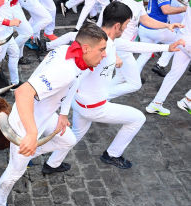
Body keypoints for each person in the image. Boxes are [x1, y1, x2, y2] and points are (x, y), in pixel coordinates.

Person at [36, 1, 184, 169]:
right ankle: (112, 154)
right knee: (138, 118)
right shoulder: (101, 49)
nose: (128, 28)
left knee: (75, 135)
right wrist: (63, 112)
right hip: (93, 107)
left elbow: (131, 45)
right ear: (117, 25)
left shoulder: (104, 40)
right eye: (127, 25)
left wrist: (167, 47)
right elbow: (75, 77)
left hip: (81, 103)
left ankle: (52, 164)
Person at [0, 23, 108, 206]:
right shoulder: (65, 70)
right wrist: (32, 134)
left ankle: (29, 153)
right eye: (102, 49)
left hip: (45, 116)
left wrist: (63, 113)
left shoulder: (69, 53)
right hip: (25, 121)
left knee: (68, 139)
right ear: (86, 48)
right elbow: (22, 92)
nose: (104, 55)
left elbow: (70, 79)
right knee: (15, 171)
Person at [107, 0, 184, 105]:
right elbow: (104, 30)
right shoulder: (121, 4)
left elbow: (146, 20)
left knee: (120, 77)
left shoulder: (138, 2)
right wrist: (114, 54)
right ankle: (100, 99)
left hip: (128, 46)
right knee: (134, 83)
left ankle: (102, 100)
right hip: (120, 48)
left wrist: (167, 26)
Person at [146, 1, 191, 116]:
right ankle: (188, 100)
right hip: (188, 40)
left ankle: (156, 103)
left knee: (174, 73)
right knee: (174, 73)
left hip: (181, 36)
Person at [135, 0, 187, 77]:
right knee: (178, 41)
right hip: (156, 29)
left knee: (145, 55)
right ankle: (160, 65)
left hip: (145, 27)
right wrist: (187, 7)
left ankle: (133, 77)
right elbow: (166, 10)